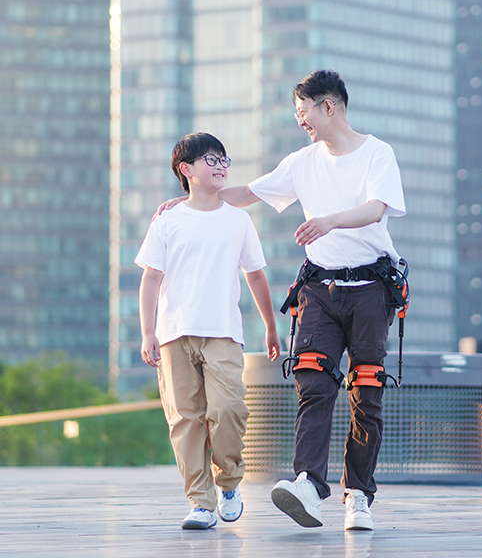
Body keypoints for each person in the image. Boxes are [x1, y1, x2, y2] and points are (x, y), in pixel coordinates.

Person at [157, 70, 406, 531]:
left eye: (303, 111)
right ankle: (308, 483)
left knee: (366, 390)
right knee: (313, 384)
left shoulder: (377, 153)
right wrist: (188, 200)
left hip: (371, 288)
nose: (300, 121)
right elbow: (247, 193)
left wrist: (329, 221)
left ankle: (358, 495)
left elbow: (376, 209)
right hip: (319, 289)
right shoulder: (301, 162)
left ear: (328, 106)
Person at [136, 132, 280, 530]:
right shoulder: (167, 220)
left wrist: (271, 327)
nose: (220, 166)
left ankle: (229, 483)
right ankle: (200, 502)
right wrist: (147, 332)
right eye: (210, 160)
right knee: (185, 420)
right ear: (186, 169)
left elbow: (255, 275)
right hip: (174, 333)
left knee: (228, 409)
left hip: (223, 332)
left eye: (223, 160)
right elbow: (151, 278)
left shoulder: (238, 219)